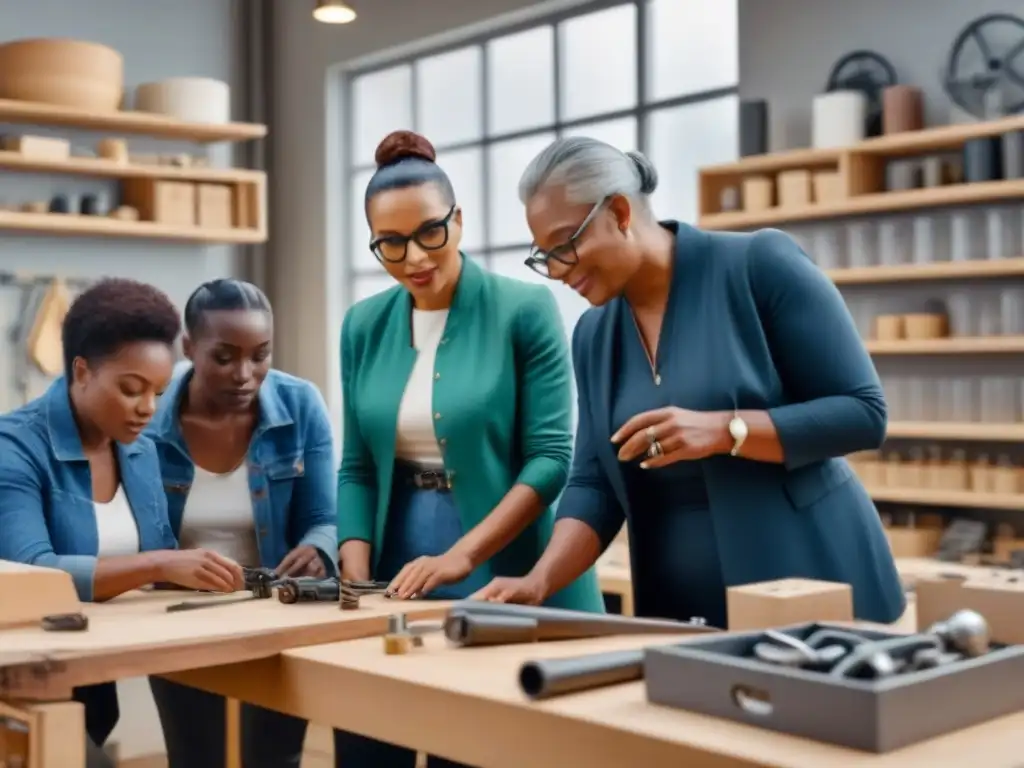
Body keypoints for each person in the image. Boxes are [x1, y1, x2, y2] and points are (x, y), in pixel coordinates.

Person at [471, 136, 906, 629]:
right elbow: (594, 482)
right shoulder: (594, 334)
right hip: (683, 613)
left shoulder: (758, 266)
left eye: (566, 244)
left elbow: (864, 414)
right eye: (544, 256)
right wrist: (540, 580)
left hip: (811, 585)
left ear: (618, 211)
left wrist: (726, 431)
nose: (556, 270)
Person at [334, 130, 604, 767]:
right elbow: (356, 467)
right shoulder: (363, 325)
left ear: (459, 219)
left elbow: (551, 457)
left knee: (478, 745)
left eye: (431, 232)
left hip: (501, 559)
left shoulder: (525, 308)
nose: (414, 257)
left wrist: (459, 556)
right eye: (390, 243)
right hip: (394, 567)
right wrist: (353, 572)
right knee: (373, 738)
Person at [0, 278, 244, 766]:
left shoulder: (139, 449)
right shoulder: (15, 448)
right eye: (131, 390)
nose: (148, 409)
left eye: (157, 390)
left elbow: (159, 558)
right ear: (82, 371)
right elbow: (36, 573)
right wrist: (157, 564)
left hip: (91, 673)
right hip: (21, 679)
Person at [145, 278, 338, 768]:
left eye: (261, 355)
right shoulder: (147, 418)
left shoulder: (301, 404)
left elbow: (324, 517)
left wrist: (319, 546)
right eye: (225, 357)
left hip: (275, 611)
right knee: (194, 757)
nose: (245, 374)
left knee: (275, 757)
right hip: (177, 615)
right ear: (188, 348)